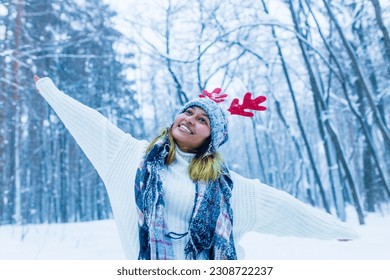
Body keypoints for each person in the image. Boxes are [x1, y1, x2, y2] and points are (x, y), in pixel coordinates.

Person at [33, 75, 359, 260]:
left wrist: (338, 231)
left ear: (211, 139)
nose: (190, 119)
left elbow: (288, 209)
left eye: (202, 120)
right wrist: (50, 90)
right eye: (188, 113)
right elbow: (92, 124)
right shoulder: (127, 157)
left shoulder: (231, 188)